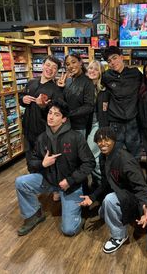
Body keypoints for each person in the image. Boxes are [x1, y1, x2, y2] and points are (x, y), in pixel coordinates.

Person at [15, 99, 95, 236]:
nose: (51, 117)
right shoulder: (42, 138)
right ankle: (35, 214)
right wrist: (42, 164)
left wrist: (70, 180)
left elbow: (89, 163)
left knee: (69, 230)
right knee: (21, 182)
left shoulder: (75, 137)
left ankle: (77, 213)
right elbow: (31, 163)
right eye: (50, 113)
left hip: (71, 185)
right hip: (49, 180)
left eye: (56, 114)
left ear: (64, 119)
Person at [79, 127, 147, 254]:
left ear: (114, 141)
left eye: (107, 140)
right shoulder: (103, 156)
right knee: (103, 211)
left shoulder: (125, 160)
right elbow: (106, 182)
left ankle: (119, 236)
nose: (103, 143)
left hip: (133, 198)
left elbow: (141, 187)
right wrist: (92, 197)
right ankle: (114, 211)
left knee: (109, 201)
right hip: (120, 193)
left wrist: (145, 208)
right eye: (99, 141)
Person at [19, 55, 63, 168]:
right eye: (48, 65)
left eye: (54, 67)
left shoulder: (56, 90)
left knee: (43, 161)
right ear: (43, 66)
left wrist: (43, 106)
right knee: (29, 160)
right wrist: (23, 99)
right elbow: (22, 96)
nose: (50, 69)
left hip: (43, 133)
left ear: (56, 72)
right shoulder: (31, 82)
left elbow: (57, 113)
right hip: (27, 129)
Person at [102, 46, 143, 160]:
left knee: (135, 156)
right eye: (109, 61)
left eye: (114, 58)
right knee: (115, 155)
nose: (112, 63)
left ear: (121, 57)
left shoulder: (135, 73)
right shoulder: (106, 76)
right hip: (115, 123)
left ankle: (134, 177)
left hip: (132, 122)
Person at [59, 53, 95, 137]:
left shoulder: (87, 82)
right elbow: (63, 101)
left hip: (79, 126)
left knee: (77, 149)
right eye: (68, 64)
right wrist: (60, 88)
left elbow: (89, 106)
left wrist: (69, 114)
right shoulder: (68, 81)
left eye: (73, 62)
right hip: (65, 124)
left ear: (80, 62)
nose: (71, 66)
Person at [86, 60, 109, 190]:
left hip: (97, 126)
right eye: (90, 68)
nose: (92, 71)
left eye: (96, 69)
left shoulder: (103, 89)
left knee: (93, 155)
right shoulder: (84, 86)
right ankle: (96, 183)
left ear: (100, 73)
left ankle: (102, 183)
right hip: (85, 126)